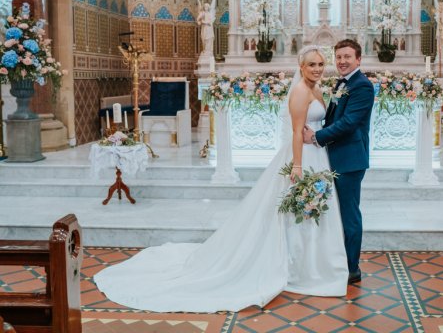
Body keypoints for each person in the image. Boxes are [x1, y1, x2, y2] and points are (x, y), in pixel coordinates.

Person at [93, 46, 348, 313]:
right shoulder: (299, 92)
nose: (317, 69)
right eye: (312, 65)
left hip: (318, 154)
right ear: (301, 66)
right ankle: (297, 265)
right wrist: (297, 165)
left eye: (320, 64)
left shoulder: (317, 88)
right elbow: (297, 133)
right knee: (294, 210)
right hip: (303, 156)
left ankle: (312, 264)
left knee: (310, 210)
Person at [303, 39, 375, 284]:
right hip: (334, 156)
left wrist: (316, 137)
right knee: (337, 213)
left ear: (358, 59)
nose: (342, 61)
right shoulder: (341, 83)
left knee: (349, 214)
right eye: (339, 57)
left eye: (347, 57)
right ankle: (336, 261)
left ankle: (352, 268)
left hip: (350, 159)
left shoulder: (362, 86)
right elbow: (333, 118)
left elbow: (349, 123)